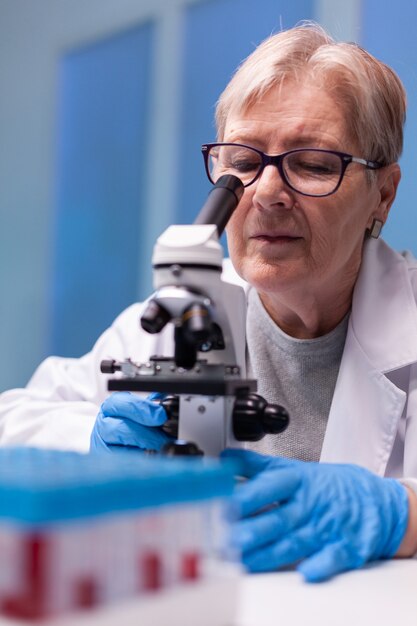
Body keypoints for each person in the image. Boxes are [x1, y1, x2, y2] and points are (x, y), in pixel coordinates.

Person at [0, 22, 416, 581]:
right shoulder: (184, 311)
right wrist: (92, 438)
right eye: (242, 163)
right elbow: (11, 422)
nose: (267, 193)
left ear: (382, 195)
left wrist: (401, 516)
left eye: (313, 164)